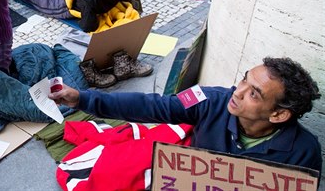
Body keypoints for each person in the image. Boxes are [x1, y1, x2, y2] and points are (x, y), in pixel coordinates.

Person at [50, 57, 322, 172]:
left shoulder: (304, 151)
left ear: (278, 115)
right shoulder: (211, 99)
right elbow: (154, 106)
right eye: (243, 81)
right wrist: (84, 98)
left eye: (254, 93)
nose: (237, 92)